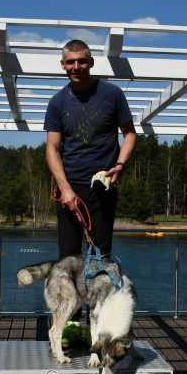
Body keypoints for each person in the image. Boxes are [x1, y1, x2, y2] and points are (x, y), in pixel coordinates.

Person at [45, 39, 136, 259]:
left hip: (102, 187)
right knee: (68, 260)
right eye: (71, 62)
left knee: (101, 258)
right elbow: (52, 149)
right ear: (63, 65)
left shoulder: (112, 94)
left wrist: (120, 165)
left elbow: (130, 134)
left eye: (82, 61)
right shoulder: (57, 102)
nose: (76, 66)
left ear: (91, 62)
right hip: (70, 189)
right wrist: (64, 188)